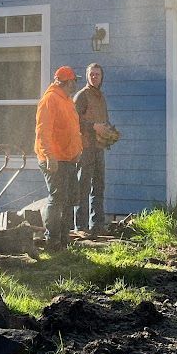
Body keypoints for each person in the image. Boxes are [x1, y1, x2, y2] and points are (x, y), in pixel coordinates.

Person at [34, 65, 82, 251]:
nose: (75, 84)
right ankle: (52, 241)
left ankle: (64, 239)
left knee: (70, 199)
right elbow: (42, 132)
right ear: (68, 82)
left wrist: (78, 149)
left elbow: (73, 129)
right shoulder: (50, 100)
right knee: (57, 199)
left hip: (68, 158)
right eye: (74, 81)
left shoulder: (67, 100)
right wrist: (49, 156)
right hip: (54, 160)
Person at [74, 62, 110, 235]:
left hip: (99, 147)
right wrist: (94, 126)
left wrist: (109, 132)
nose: (94, 77)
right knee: (83, 187)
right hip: (85, 147)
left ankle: (97, 225)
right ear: (87, 76)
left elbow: (104, 120)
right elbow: (74, 121)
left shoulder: (101, 96)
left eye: (97, 74)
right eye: (92, 74)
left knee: (98, 186)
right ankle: (80, 226)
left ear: (102, 77)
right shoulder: (82, 96)